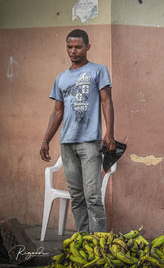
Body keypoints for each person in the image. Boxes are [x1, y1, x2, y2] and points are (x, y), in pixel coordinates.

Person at [39, 29, 115, 233]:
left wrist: (109, 132)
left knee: (93, 195)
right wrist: (46, 140)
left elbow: (107, 101)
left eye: (78, 47)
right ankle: (83, 239)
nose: (74, 51)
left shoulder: (98, 71)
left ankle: (99, 242)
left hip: (90, 143)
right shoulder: (61, 78)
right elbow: (57, 112)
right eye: (70, 47)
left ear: (88, 47)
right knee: (77, 196)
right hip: (67, 144)